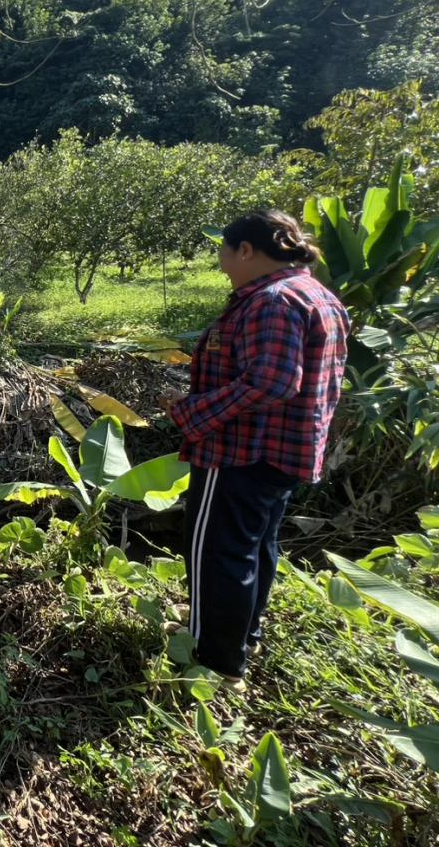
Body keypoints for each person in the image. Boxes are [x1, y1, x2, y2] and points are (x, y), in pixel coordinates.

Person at [160, 211, 349, 690]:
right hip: (288, 450)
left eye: (224, 252)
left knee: (217, 550)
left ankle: (217, 660)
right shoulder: (318, 296)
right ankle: (243, 635)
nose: (222, 264)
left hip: (240, 450)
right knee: (256, 545)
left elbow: (273, 381)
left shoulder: (272, 301)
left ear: (246, 250)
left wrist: (193, 412)